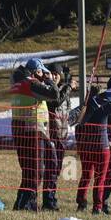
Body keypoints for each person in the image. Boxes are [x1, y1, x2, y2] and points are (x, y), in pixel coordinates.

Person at [9, 58, 58, 211]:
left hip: (23, 129)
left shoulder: (19, 81)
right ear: (36, 71)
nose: (43, 74)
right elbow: (54, 94)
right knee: (35, 171)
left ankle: (22, 203)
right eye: (41, 71)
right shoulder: (30, 83)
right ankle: (25, 205)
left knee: (29, 170)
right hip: (32, 129)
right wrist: (50, 80)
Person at [77, 77, 111, 215]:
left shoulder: (83, 112)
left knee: (85, 177)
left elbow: (78, 128)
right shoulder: (103, 109)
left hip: (86, 148)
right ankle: (97, 207)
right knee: (100, 179)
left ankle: (81, 204)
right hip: (102, 148)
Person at [42, 62, 72, 211]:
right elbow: (55, 102)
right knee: (51, 168)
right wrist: (68, 86)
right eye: (51, 73)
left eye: (56, 74)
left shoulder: (64, 92)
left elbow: (68, 112)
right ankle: (48, 201)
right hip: (50, 135)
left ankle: (52, 196)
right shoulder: (49, 90)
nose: (53, 76)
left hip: (62, 135)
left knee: (57, 169)